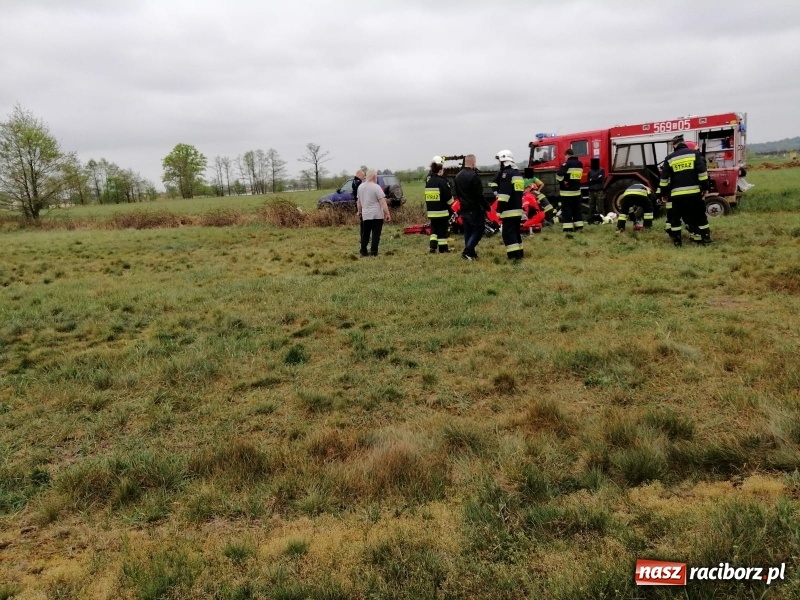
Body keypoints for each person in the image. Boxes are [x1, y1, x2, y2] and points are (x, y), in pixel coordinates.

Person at [660, 135, 711, 246]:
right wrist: (705, 187)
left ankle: (677, 241)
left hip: (677, 195)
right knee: (700, 216)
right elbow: (702, 173)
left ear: (674, 145)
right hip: (694, 193)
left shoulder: (669, 158)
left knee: (676, 218)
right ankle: (706, 239)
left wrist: (664, 194)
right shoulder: (695, 154)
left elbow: (664, 179)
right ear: (683, 143)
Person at [454, 154, 488, 260]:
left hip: (463, 208)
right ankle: (468, 251)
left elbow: (457, 193)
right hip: (474, 208)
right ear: (473, 163)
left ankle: (471, 253)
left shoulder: (457, 176)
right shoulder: (473, 176)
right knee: (479, 229)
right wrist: (486, 207)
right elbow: (479, 195)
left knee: (468, 231)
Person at [492, 149, 524, 260]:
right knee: (516, 233)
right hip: (518, 209)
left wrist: (499, 210)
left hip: (509, 210)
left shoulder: (506, 174)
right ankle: (520, 254)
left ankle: (514, 257)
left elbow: (504, 195)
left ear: (503, 161)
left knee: (508, 234)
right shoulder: (517, 173)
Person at [356, 169, 391, 256]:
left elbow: (359, 202)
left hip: (366, 215)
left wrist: (359, 211)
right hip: (377, 215)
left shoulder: (360, 187)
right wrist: (387, 213)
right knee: (376, 234)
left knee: (365, 234)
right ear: (374, 176)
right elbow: (382, 202)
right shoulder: (376, 187)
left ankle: (363, 251)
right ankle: (374, 252)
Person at [424, 156, 454, 253]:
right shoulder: (442, 182)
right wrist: (452, 205)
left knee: (434, 230)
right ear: (440, 170)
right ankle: (443, 249)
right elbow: (447, 197)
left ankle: (432, 246)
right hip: (442, 211)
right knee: (442, 231)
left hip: (431, 212)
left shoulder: (429, 182)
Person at [556, 149, 584, 233]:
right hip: (577, 191)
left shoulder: (567, 164)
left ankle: (568, 228)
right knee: (577, 209)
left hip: (566, 192)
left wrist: (562, 182)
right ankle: (579, 226)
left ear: (567, 155)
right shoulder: (580, 164)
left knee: (567, 210)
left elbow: (559, 174)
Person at [587, 157, 606, 223]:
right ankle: (590, 220)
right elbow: (588, 181)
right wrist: (596, 179)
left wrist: (593, 180)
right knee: (591, 207)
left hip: (599, 190)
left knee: (600, 206)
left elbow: (601, 179)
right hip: (592, 190)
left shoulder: (601, 170)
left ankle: (602, 219)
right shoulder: (590, 171)